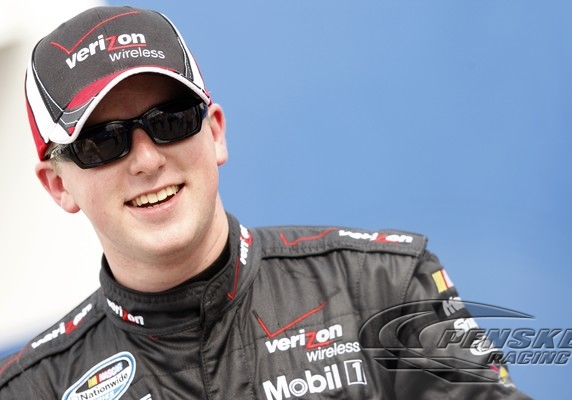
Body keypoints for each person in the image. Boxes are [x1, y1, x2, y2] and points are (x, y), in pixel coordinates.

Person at [0, 5, 531, 399]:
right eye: (103, 142)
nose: (147, 159)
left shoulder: (380, 287)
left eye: (171, 121)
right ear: (57, 185)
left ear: (215, 133)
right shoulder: (33, 389)